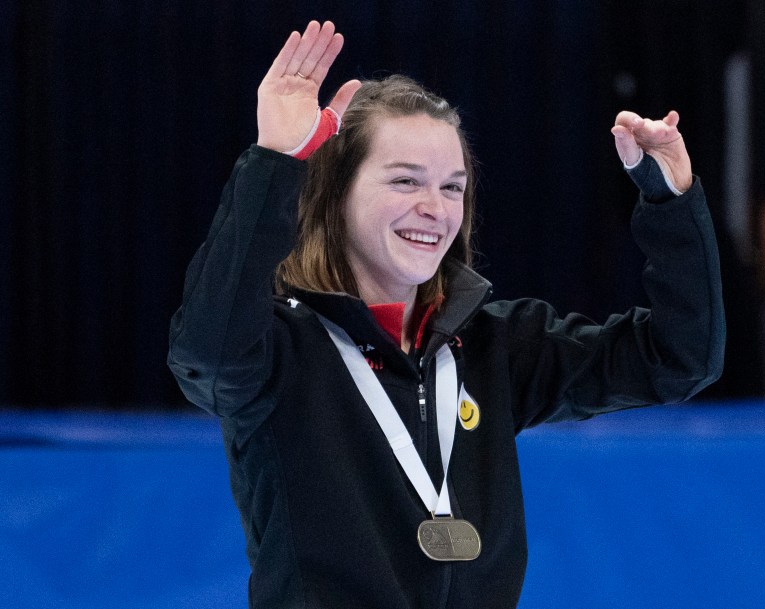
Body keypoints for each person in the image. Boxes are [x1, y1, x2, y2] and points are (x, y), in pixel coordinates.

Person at [168, 20, 725, 609]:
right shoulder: (278, 352)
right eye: (405, 181)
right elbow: (206, 353)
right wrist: (278, 159)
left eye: (453, 188)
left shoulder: (495, 345)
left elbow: (680, 358)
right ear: (336, 193)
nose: (433, 209)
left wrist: (670, 201)